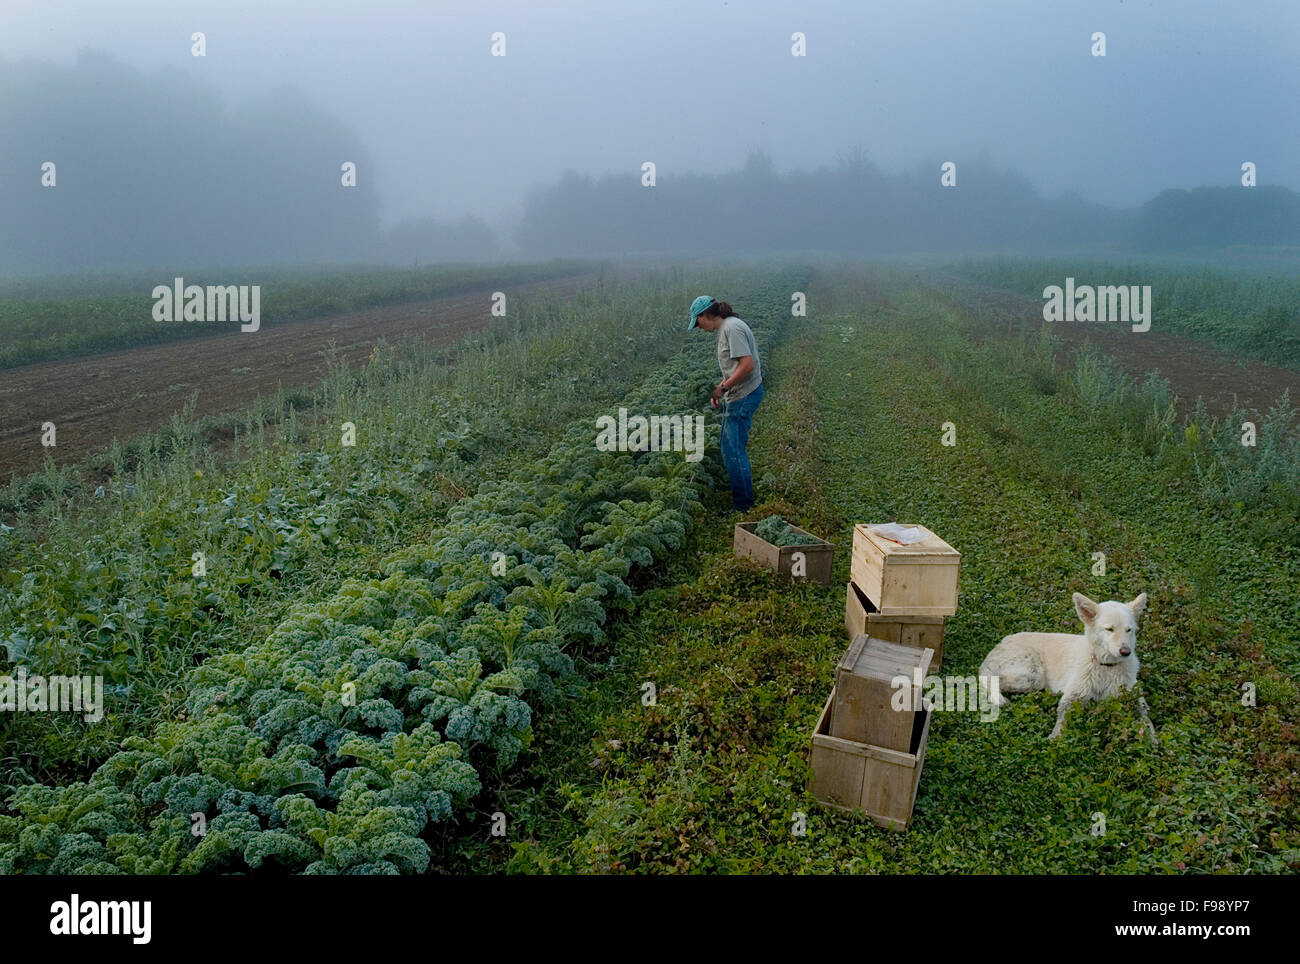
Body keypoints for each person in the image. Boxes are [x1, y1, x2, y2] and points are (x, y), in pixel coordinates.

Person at [688, 295, 764, 513]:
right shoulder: (728, 327)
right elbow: (735, 367)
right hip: (739, 393)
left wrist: (723, 388)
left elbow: (747, 365)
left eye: (697, 321)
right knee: (729, 446)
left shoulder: (732, 328)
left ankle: (743, 505)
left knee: (733, 450)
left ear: (706, 315)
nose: (698, 327)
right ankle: (743, 500)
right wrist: (722, 388)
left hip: (744, 395)